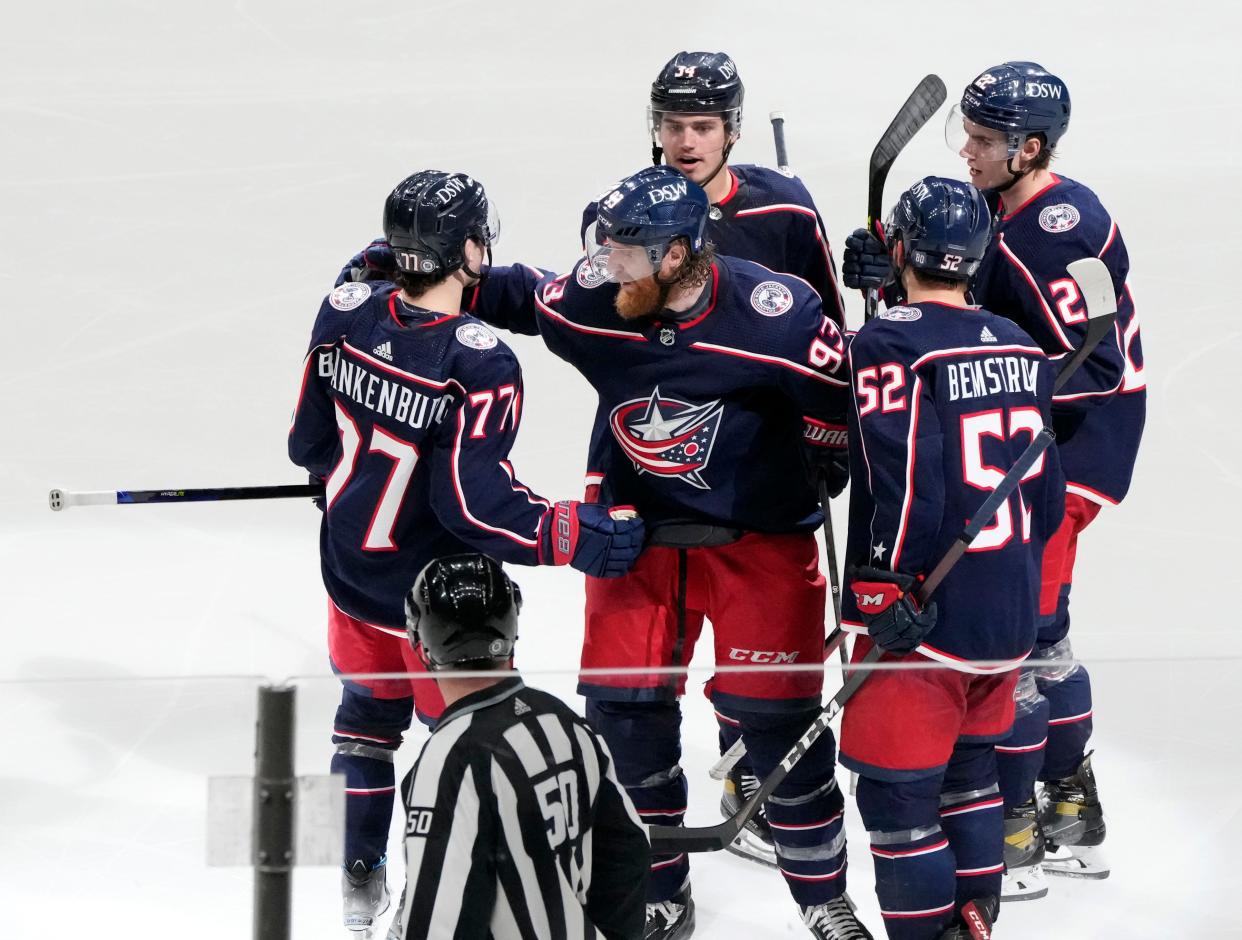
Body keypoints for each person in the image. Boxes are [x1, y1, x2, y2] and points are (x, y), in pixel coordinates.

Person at [465, 165, 869, 940]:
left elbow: (847, 393)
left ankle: (823, 898)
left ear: (680, 255)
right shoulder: (596, 302)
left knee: (779, 729)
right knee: (623, 721)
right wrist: (426, 266)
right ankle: (658, 891)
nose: (608, 263)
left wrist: (827, 445)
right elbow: (519, 293)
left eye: (629, 251)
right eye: (607, 245)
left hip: (760, 542)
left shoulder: (775, 317)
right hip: (636, 542)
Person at [288, 169, 644, 936]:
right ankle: (440, 891)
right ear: (470, 250)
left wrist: (344, 484)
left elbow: (307, 444)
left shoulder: (343, 308)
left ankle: (358, 883)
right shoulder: (476, 361)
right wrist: (573, 533)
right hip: (434, 604)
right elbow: (474, 506)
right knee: (458, 745)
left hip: (350, 574)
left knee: (361, 726)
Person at [843, 61, 1145, 897]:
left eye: (984, 141)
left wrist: (978, 366)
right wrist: (902, 277)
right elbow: (970, 294)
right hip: (1019, 444)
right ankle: (1048, 804)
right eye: (968, 134)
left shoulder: (1056, 228)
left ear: (1031, 147)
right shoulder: (1004, 206)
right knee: (1031, 637)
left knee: (1029, 640)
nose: (967, 152)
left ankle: (1033, 814)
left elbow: (1099, 366)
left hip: (1067, 453)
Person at [571, 48, 851, 869]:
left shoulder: (785, 211)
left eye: (702, 125)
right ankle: (660, 871)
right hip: (652, 467)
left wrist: (826, 442)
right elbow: (609, 330)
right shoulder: (619, 210)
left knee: (759, 674)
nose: (685, 141)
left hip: (757, 477)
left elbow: (829, 344)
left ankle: (750, 782)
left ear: (731, 128)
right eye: (671, 124)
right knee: (632, 702)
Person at [838, 176, 1066, 939]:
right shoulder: (1022, 345)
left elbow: (907, 478)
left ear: (898, 247)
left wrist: (881, 582)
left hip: (922, 614)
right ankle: (974, 924)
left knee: (899, 800)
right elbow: (1048, 495)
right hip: (1004, 614)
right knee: (969, 778)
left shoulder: (887, 343)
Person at [389, 553, 650, 939]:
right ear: (511, 633)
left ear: (420, 645)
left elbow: (440, 924)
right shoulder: (566, 724)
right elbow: (629, 849)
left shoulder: (449, 762)